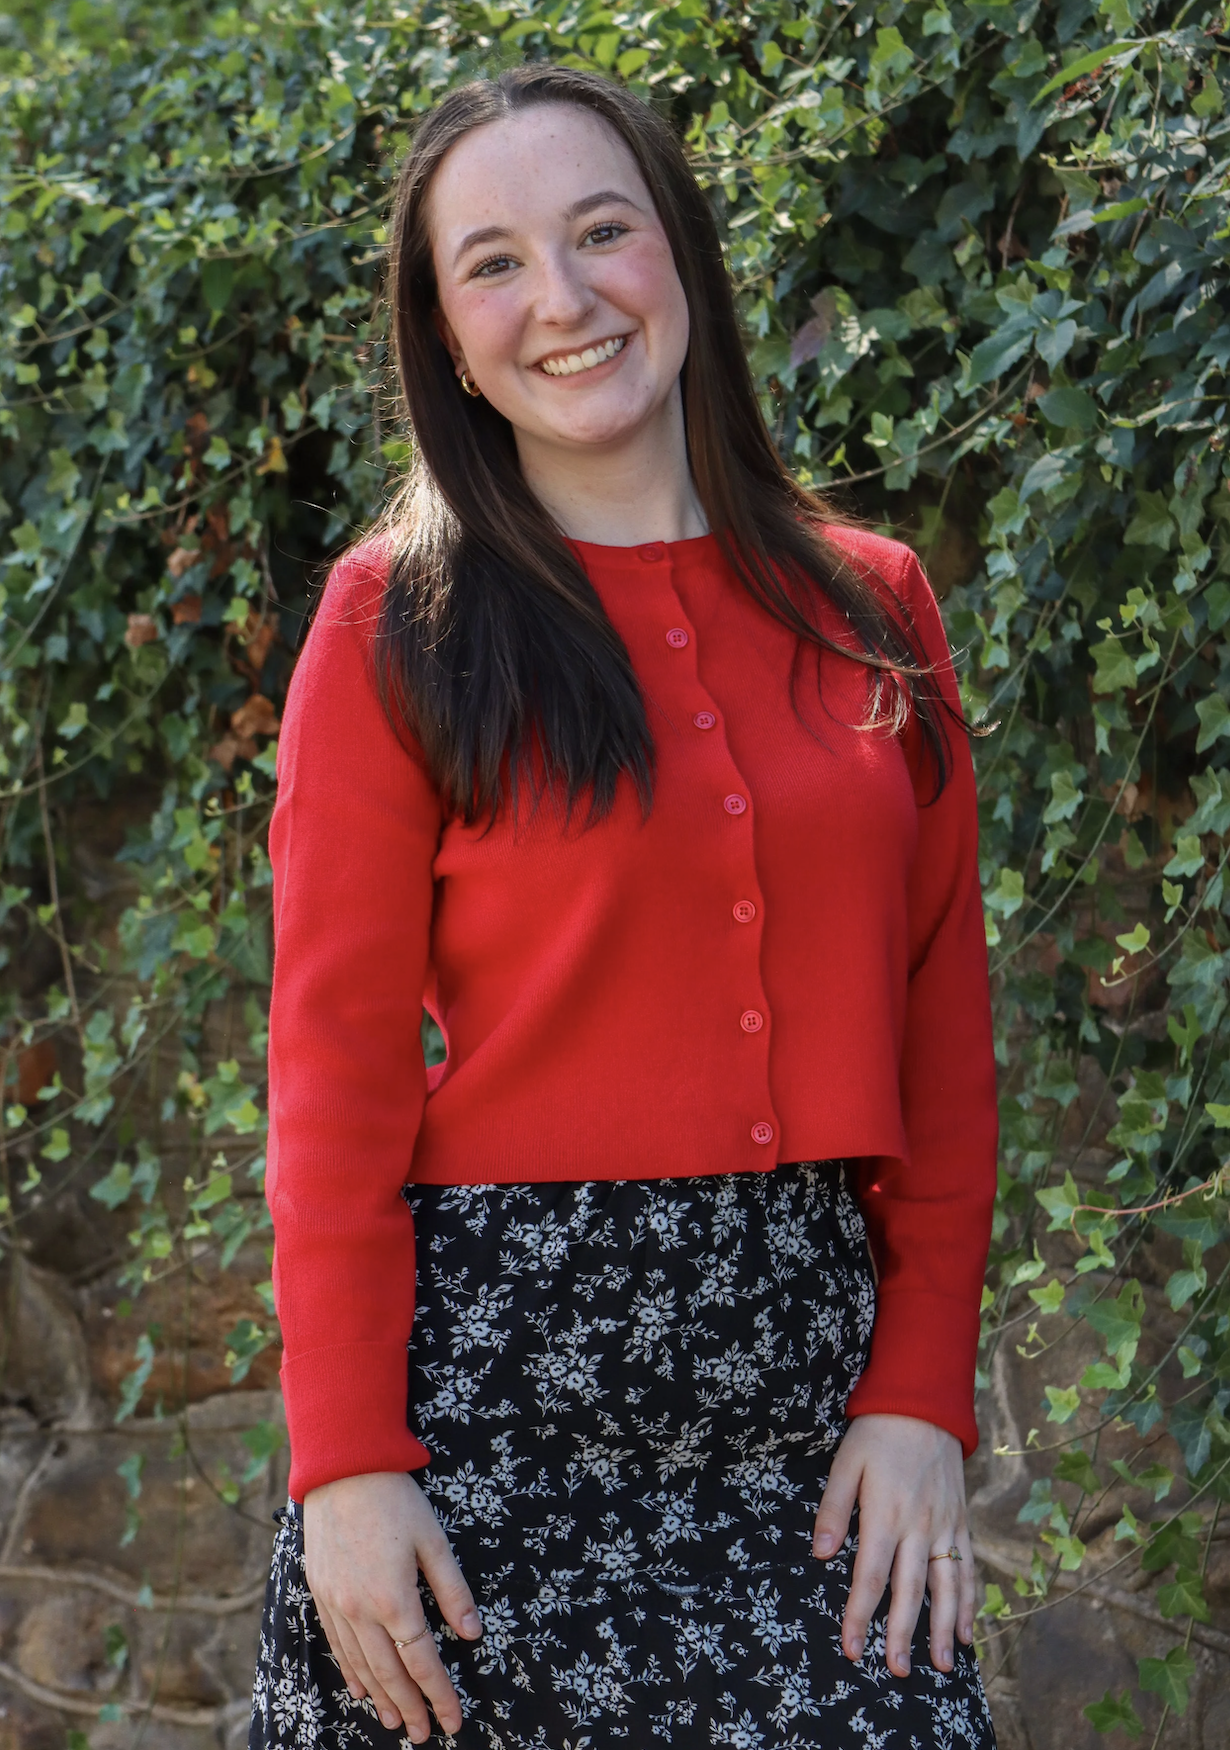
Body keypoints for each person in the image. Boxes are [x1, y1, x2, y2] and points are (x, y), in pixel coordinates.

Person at [248, 62, 999, 1750]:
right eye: (495, 263)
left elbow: (942, 1030)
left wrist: (918, 1391)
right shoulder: (395, 625)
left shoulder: (871, 603)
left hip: (814, 1438)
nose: (564, 300)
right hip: (486, 1429)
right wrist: (351, 1464)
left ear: (685, 262)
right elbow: (335, 1071)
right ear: (447, 335)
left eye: (603, 233)